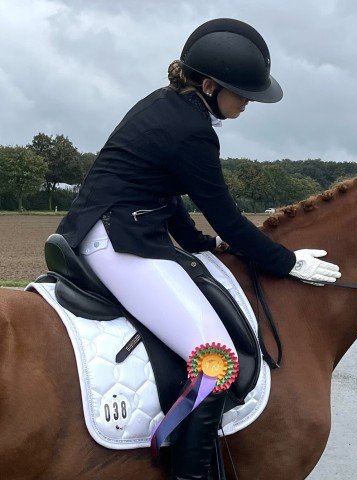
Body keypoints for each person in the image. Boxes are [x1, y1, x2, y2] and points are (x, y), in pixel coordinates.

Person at [56, 18, 341, 479]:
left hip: (117, 228)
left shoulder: (170, 107)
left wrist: (198, 243)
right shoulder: (192, 130)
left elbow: (163, 192)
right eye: (241, 93)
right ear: (209, 85)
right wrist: (288, 262)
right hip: (119, 243)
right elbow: (227, 216)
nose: (248, 103)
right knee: (215, 360)